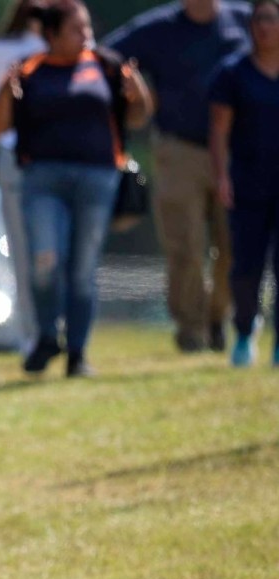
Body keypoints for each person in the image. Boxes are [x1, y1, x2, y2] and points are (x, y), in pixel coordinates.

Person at [0, 0, 154, 377]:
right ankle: (44, 335)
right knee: (45, 262)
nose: (86, 36)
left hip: (96, 178)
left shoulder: (105, 66)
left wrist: (137, 93)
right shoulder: (29, 71)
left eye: (87, 28)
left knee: (83, 267)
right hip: (42, 179)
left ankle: (77, 352)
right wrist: (8, 92)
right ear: (51, 35)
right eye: (76, 30)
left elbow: (137, 117)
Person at [105, 0, 252, 354]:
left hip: (238, 150)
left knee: (234, 245)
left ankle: (218, 315)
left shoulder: (247, 20)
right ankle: (191, 328)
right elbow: (106, 55)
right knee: (184, 245)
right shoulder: (159, 27)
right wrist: (137, 90)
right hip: (178, 149)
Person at [0, 1, 49, 344]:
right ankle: (33, 331)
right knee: (22, 248)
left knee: (58, 249)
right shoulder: (7, 50)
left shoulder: (76, 48)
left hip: (61, 156)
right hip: (16, 155)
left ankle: (59, 322)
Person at [210, 0, 279, 367]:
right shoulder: (233, 73)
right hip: (248, 181)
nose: (263, 26)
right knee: (246, 267)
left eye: (271, 19)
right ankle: (244, 328)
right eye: (258, 20)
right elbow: (219, 130)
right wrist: (221, 175)